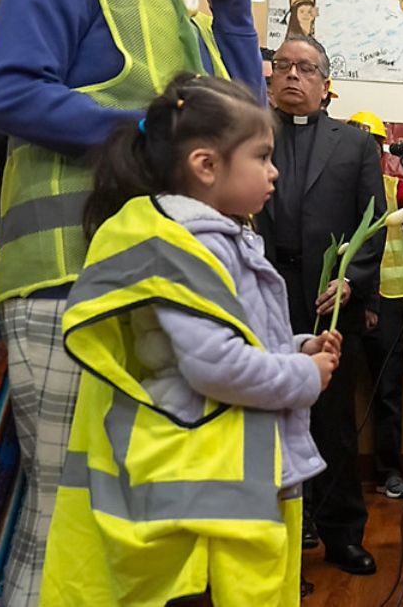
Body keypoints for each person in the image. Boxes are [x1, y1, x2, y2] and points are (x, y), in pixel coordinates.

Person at [0, 0, 263, 601]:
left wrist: (232, 13)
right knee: (65, 514)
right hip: (68, 281)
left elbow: (248, 141)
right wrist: (145, 132)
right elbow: (9, 89)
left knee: (132, 521)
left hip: (168, 288)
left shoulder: (192, 15)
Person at [40, 75, 337, 604]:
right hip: (198, 496)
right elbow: (215, 367)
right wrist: (302, 377)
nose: (274, 171)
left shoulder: (215, 238)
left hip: (216, 482)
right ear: (206, 166)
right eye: (263, 157)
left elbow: (230, 337)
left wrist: (293, 349)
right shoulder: (187, 248)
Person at [259, 35, 387, 576]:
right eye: (283, 65)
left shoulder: (355, 145)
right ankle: (277, 544)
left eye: (305, 68)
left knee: (332, 422)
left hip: (328, 299)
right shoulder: (248, 133)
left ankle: (341, 533)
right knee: (263, 417)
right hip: (263, 291)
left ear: (325, 84)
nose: (292, 75)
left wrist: (353, 282)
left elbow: (375, 224)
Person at [346, 110, 403, 501]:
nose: (365, 151)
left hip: (388, 301)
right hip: (347, 299)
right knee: (335, 394)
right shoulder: (335, 185)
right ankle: (336, 477)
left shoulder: (392, 186)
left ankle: (389, 472)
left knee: (388, 391)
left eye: (371, 144)